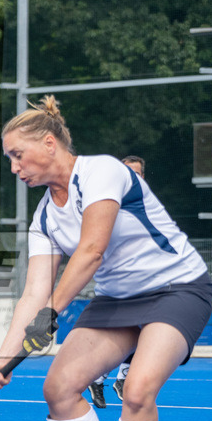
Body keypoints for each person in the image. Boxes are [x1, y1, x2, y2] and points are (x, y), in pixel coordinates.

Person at [0, 97, 212, 421]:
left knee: (139, 389)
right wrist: (6, 357)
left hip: (177, 289)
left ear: (48, 144)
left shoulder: (102, 171)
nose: (14, 167)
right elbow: (33, 294)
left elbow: (92, 251)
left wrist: (51, 315)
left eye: (16, 155)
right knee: (59, 388)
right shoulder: (44, 217)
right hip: (117, 302)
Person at [86, 155, 144, 407]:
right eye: (127, 172)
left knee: (142, 332)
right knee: (125, 335)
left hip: (144, 278)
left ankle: (108, 378)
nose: (133, 177)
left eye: (137, 174)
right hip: (118, 280)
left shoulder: (147, 206)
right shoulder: (108, 204)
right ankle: (100, 377)